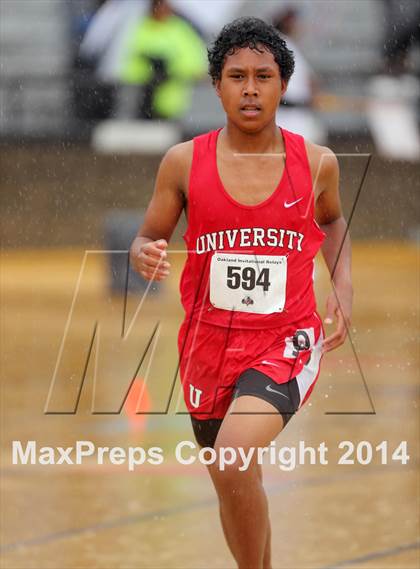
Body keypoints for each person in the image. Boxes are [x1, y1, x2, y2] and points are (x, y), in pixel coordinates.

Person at [130, 17, 352, 568]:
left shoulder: (317, 163)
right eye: (236, 76)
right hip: (207, 345)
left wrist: (342, 290)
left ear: (284, 85)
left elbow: (334, 225)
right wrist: (143, 253)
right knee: (232, 477)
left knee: (232, 459)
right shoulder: (183, 162)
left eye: (264, 76)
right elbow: (147, 236)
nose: (250, 89)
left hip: (286, 340)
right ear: (216, 85)